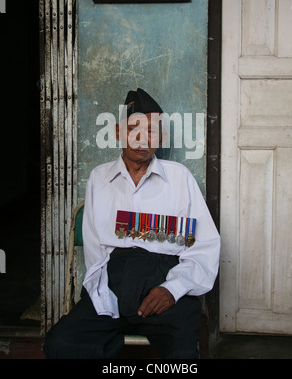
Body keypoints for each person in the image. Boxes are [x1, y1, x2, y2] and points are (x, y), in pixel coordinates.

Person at [43, 88, 220, 359]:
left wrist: (172, 289)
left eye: (151, 131)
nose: (141, 139)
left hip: (165, 279)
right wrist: (104, 298)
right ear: (118, 132)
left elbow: (203, 246)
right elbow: (95, 249)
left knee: (182, 356)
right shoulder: (99, 179)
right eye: (134, 128)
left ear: (161, 138)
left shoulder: (179, 179)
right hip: (112, 281)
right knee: (61, 343)